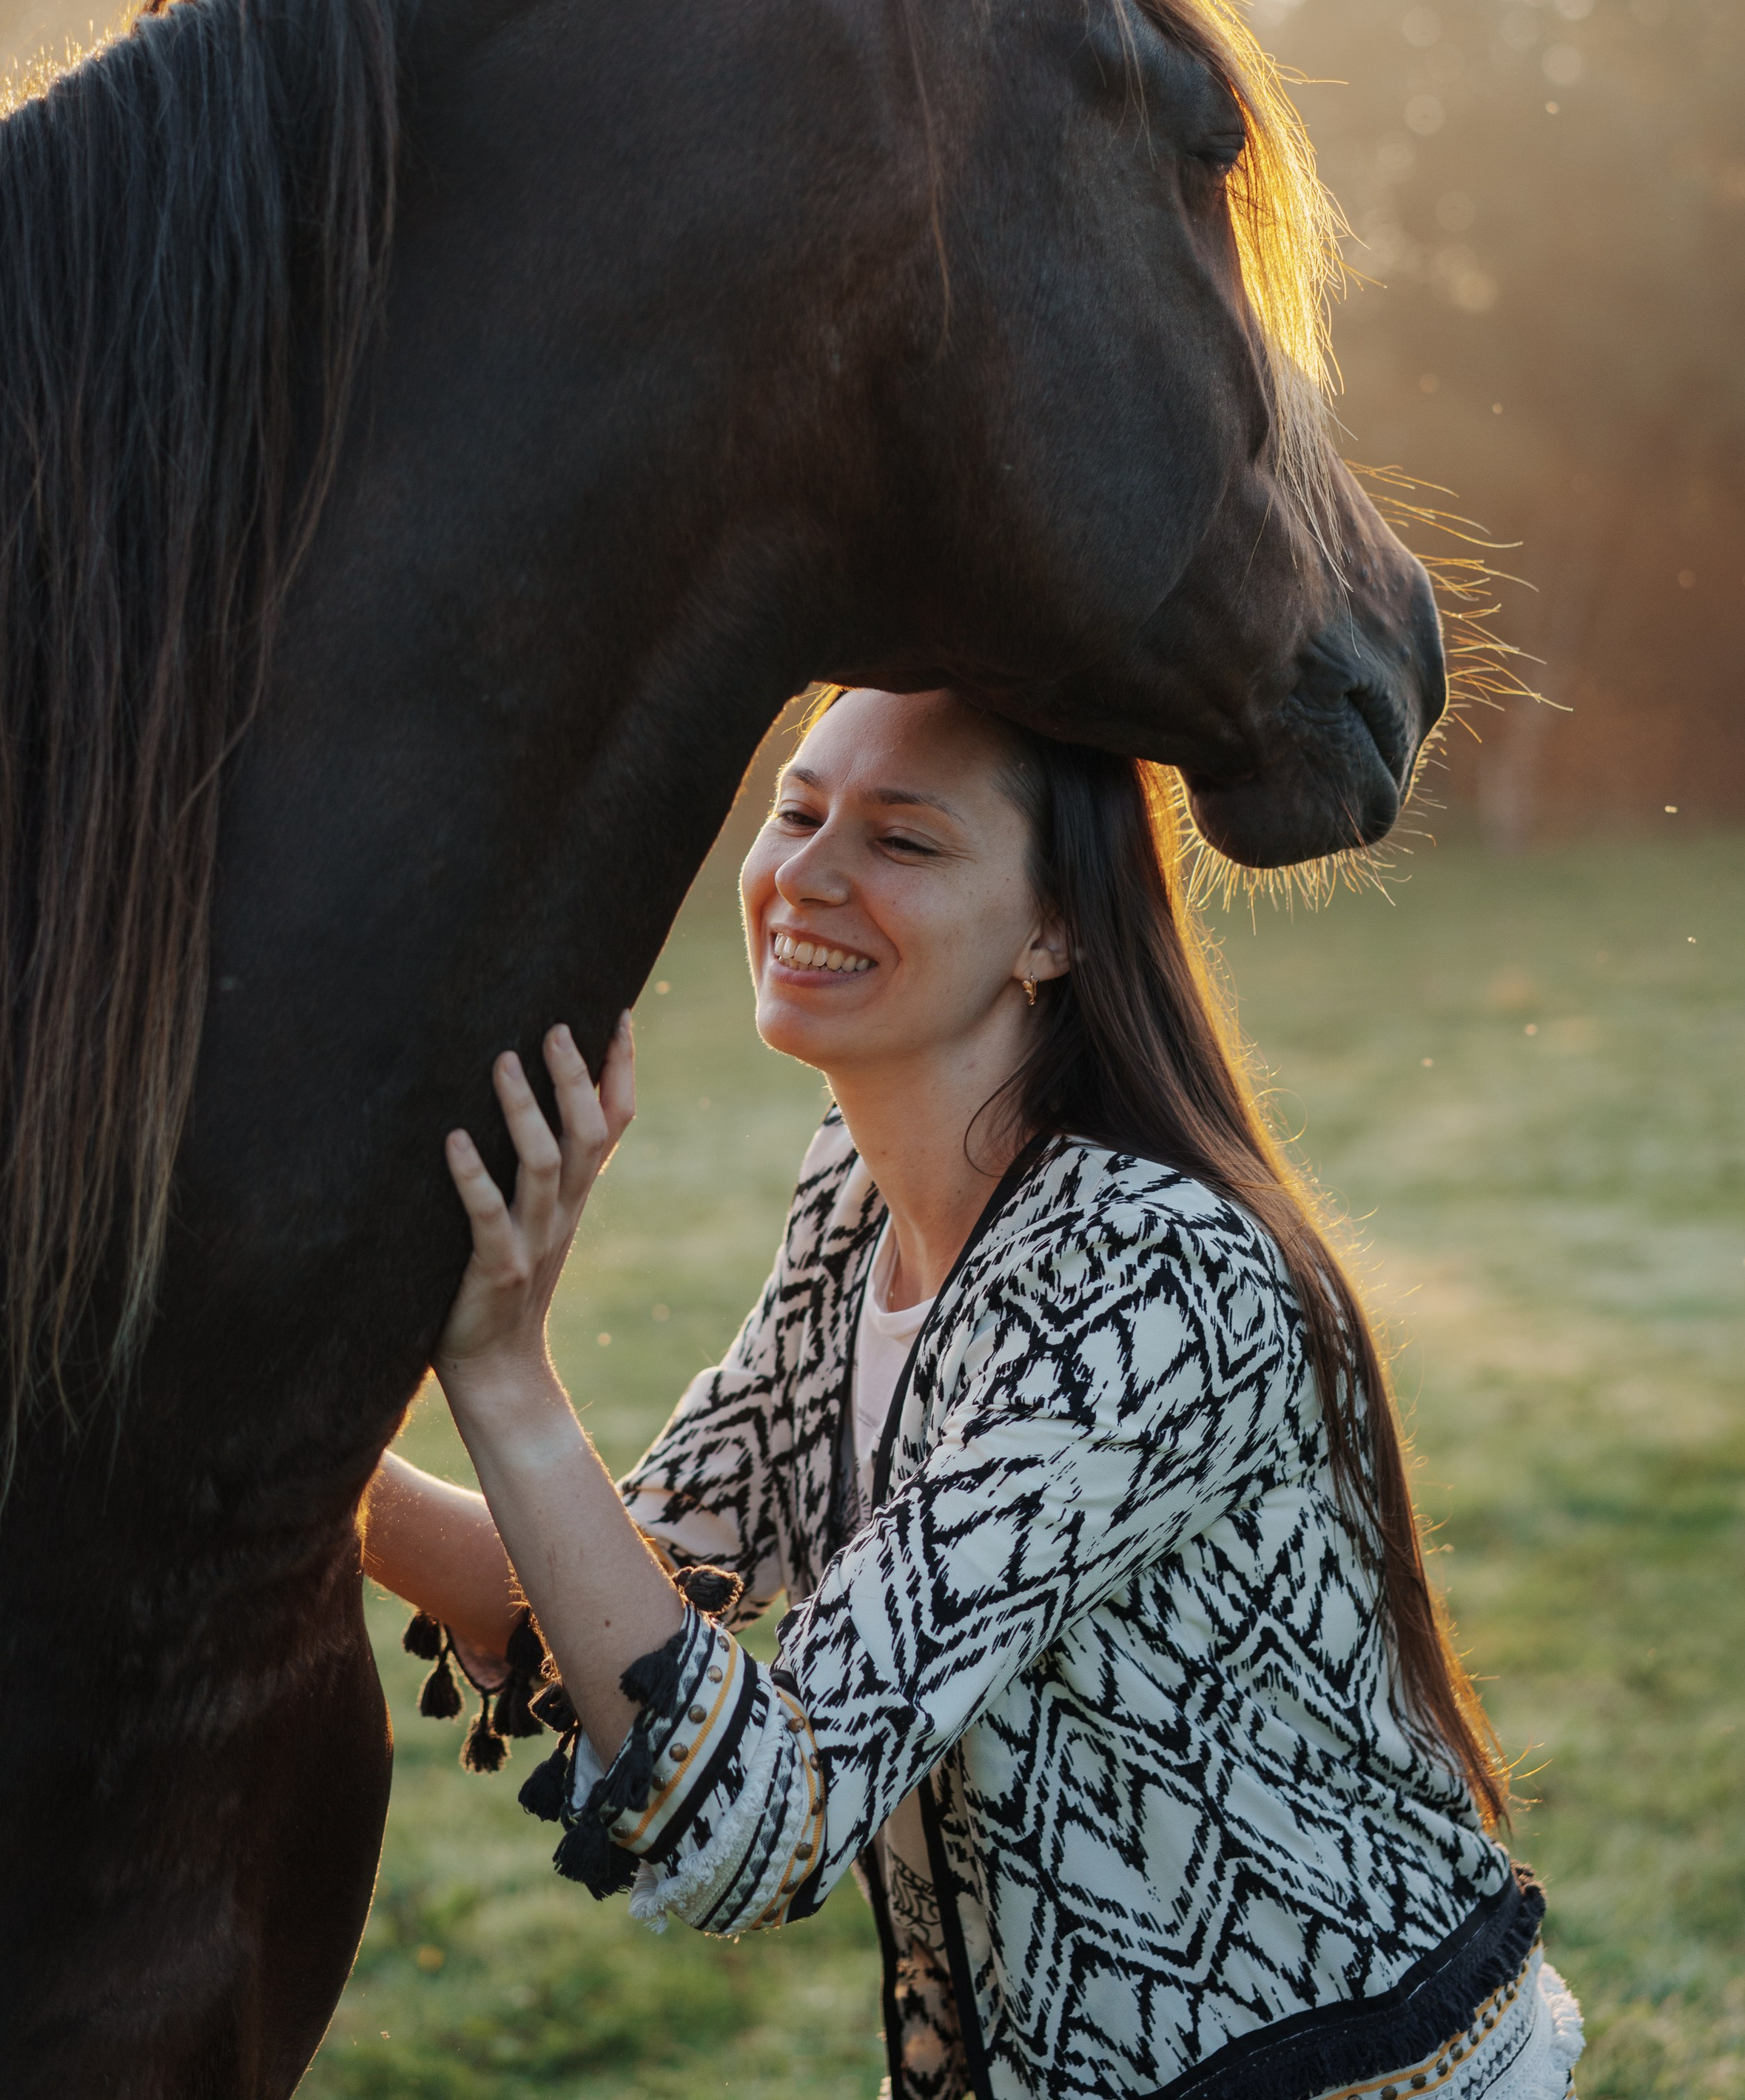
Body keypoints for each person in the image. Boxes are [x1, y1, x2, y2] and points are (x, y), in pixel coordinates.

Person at [363, 687, 1584, 2100]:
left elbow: (770, 1814)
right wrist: (243, 1461)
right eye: (800, 808)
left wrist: (506, 1371)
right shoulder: (857, 1189)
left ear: (1055, 926)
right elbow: (631, 1596)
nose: (808, 873)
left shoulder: (1153, 1274)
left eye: (905, 841)